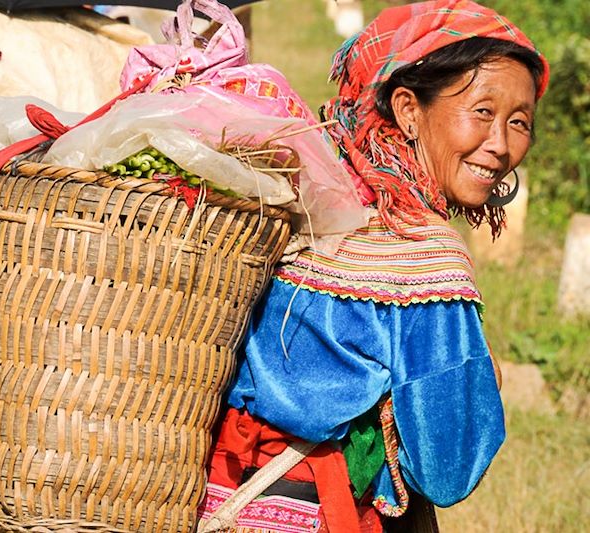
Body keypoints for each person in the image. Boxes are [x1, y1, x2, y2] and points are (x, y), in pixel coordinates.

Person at [197, 0, 549, 531]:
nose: (500, 145)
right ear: (408, 109)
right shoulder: (424, 257)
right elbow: (446, 467)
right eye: (482, 111)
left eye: (518, 122)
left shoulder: (302, 191)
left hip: (217, 502)